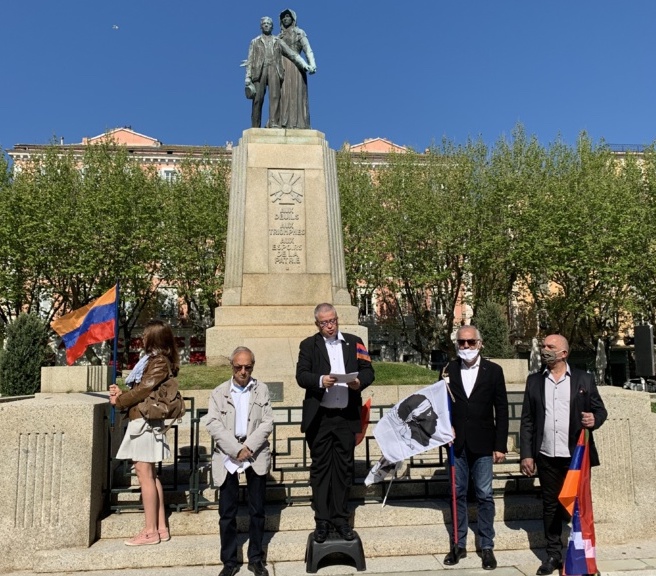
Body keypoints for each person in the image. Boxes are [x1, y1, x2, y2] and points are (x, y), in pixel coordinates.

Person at [520, 334, 607, 576]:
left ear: (564, 353)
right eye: (543, 346)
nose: (544, 349)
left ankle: (582, 557)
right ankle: (553, 555)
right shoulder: (535, 381)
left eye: (550, 347)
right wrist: (527, 454)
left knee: (579, 506)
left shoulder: (584, 379)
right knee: (551, 506)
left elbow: (600, 411)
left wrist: (594, 419)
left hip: (576, 457)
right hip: (546, 455)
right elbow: (527, 420)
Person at [296, 303, 375, 543]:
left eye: (333, 321)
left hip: (345, 417)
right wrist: (321, 380)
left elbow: (369, 370)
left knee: (343, 470)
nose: (330, 326)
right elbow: (302, 375)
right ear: (317, 324)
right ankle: (322, 521)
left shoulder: (354, 341)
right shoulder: (308, 345)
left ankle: (341, 519)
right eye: (324, 323)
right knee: (321, 471)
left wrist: (358, 382)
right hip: (320, 418)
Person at [442, 325, 509, 571]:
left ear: (480, 343)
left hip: (483, 443)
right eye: (462, 343)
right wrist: (444, 429)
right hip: (455, 443)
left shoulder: (494, 371)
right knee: (456, 493)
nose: (466, 347)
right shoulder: (447, 369)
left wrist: (500, 445)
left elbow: (501, 409)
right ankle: (458, 544)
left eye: (471, 342)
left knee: (484, 494)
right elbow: (439, 405)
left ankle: (486, 545)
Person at [109, 319, 179, 546]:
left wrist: (119, 401)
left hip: (145, 422)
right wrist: (122, 394)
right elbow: (142, 389)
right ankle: (160, 527)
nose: (142, 337)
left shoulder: (158, 361)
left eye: (146, 334)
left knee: (143, 472)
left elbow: (144, 389)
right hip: (145, 420)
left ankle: (150, 532)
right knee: (149, 473)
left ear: (155, 338)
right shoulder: (152, 361)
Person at [206, 347, 273, 576]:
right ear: (231, 367)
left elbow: (267, 422)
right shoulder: (218, 392)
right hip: (228, 455)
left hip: (254, 453)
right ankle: (229, 561)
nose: (243, 371)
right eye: (238, 367)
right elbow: (213, 423)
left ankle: (256, 558)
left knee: (257, 510)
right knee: (227, 512)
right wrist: (235, 449)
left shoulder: (261, 389)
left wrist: (249, 447)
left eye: (248, 367)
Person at [245, 16, 311, 129]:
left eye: (269, 23)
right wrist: (247, 77)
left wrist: (305, 64)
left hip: (274, 70)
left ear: (272, 26)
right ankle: (255, 126)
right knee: (257, 100)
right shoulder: (254, 42)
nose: (266, 25)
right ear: (261, 26)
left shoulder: (278, 41)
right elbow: (250, 61)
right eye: (264, 23)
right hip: (259, 71)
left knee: (275, 97)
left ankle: (274, 123)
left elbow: (292, 54)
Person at [278, 9, 316, 129]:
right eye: (283, 17)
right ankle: (282, 122)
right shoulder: (279, 37)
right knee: (283, 94)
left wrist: (312, 64)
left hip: (298, 67)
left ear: (293, 19)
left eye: (288, 16)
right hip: (282, 66)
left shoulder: (299, 33)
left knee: (297, 94)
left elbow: (308, 49)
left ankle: (299, 123)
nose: (285, 19)